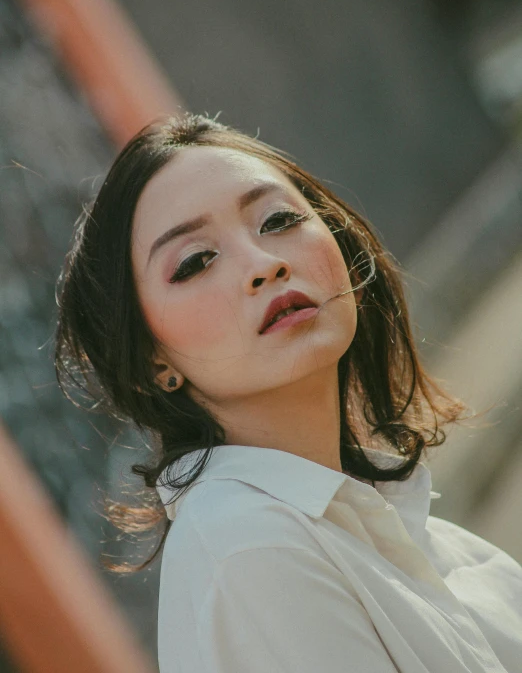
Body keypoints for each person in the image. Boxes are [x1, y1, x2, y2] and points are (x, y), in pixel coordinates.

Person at [55, 113, 522, 673]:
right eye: (196, 261)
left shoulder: (406, 529)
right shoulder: (248, 548)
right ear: (152, 363)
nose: (264, 264)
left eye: (278, 220)